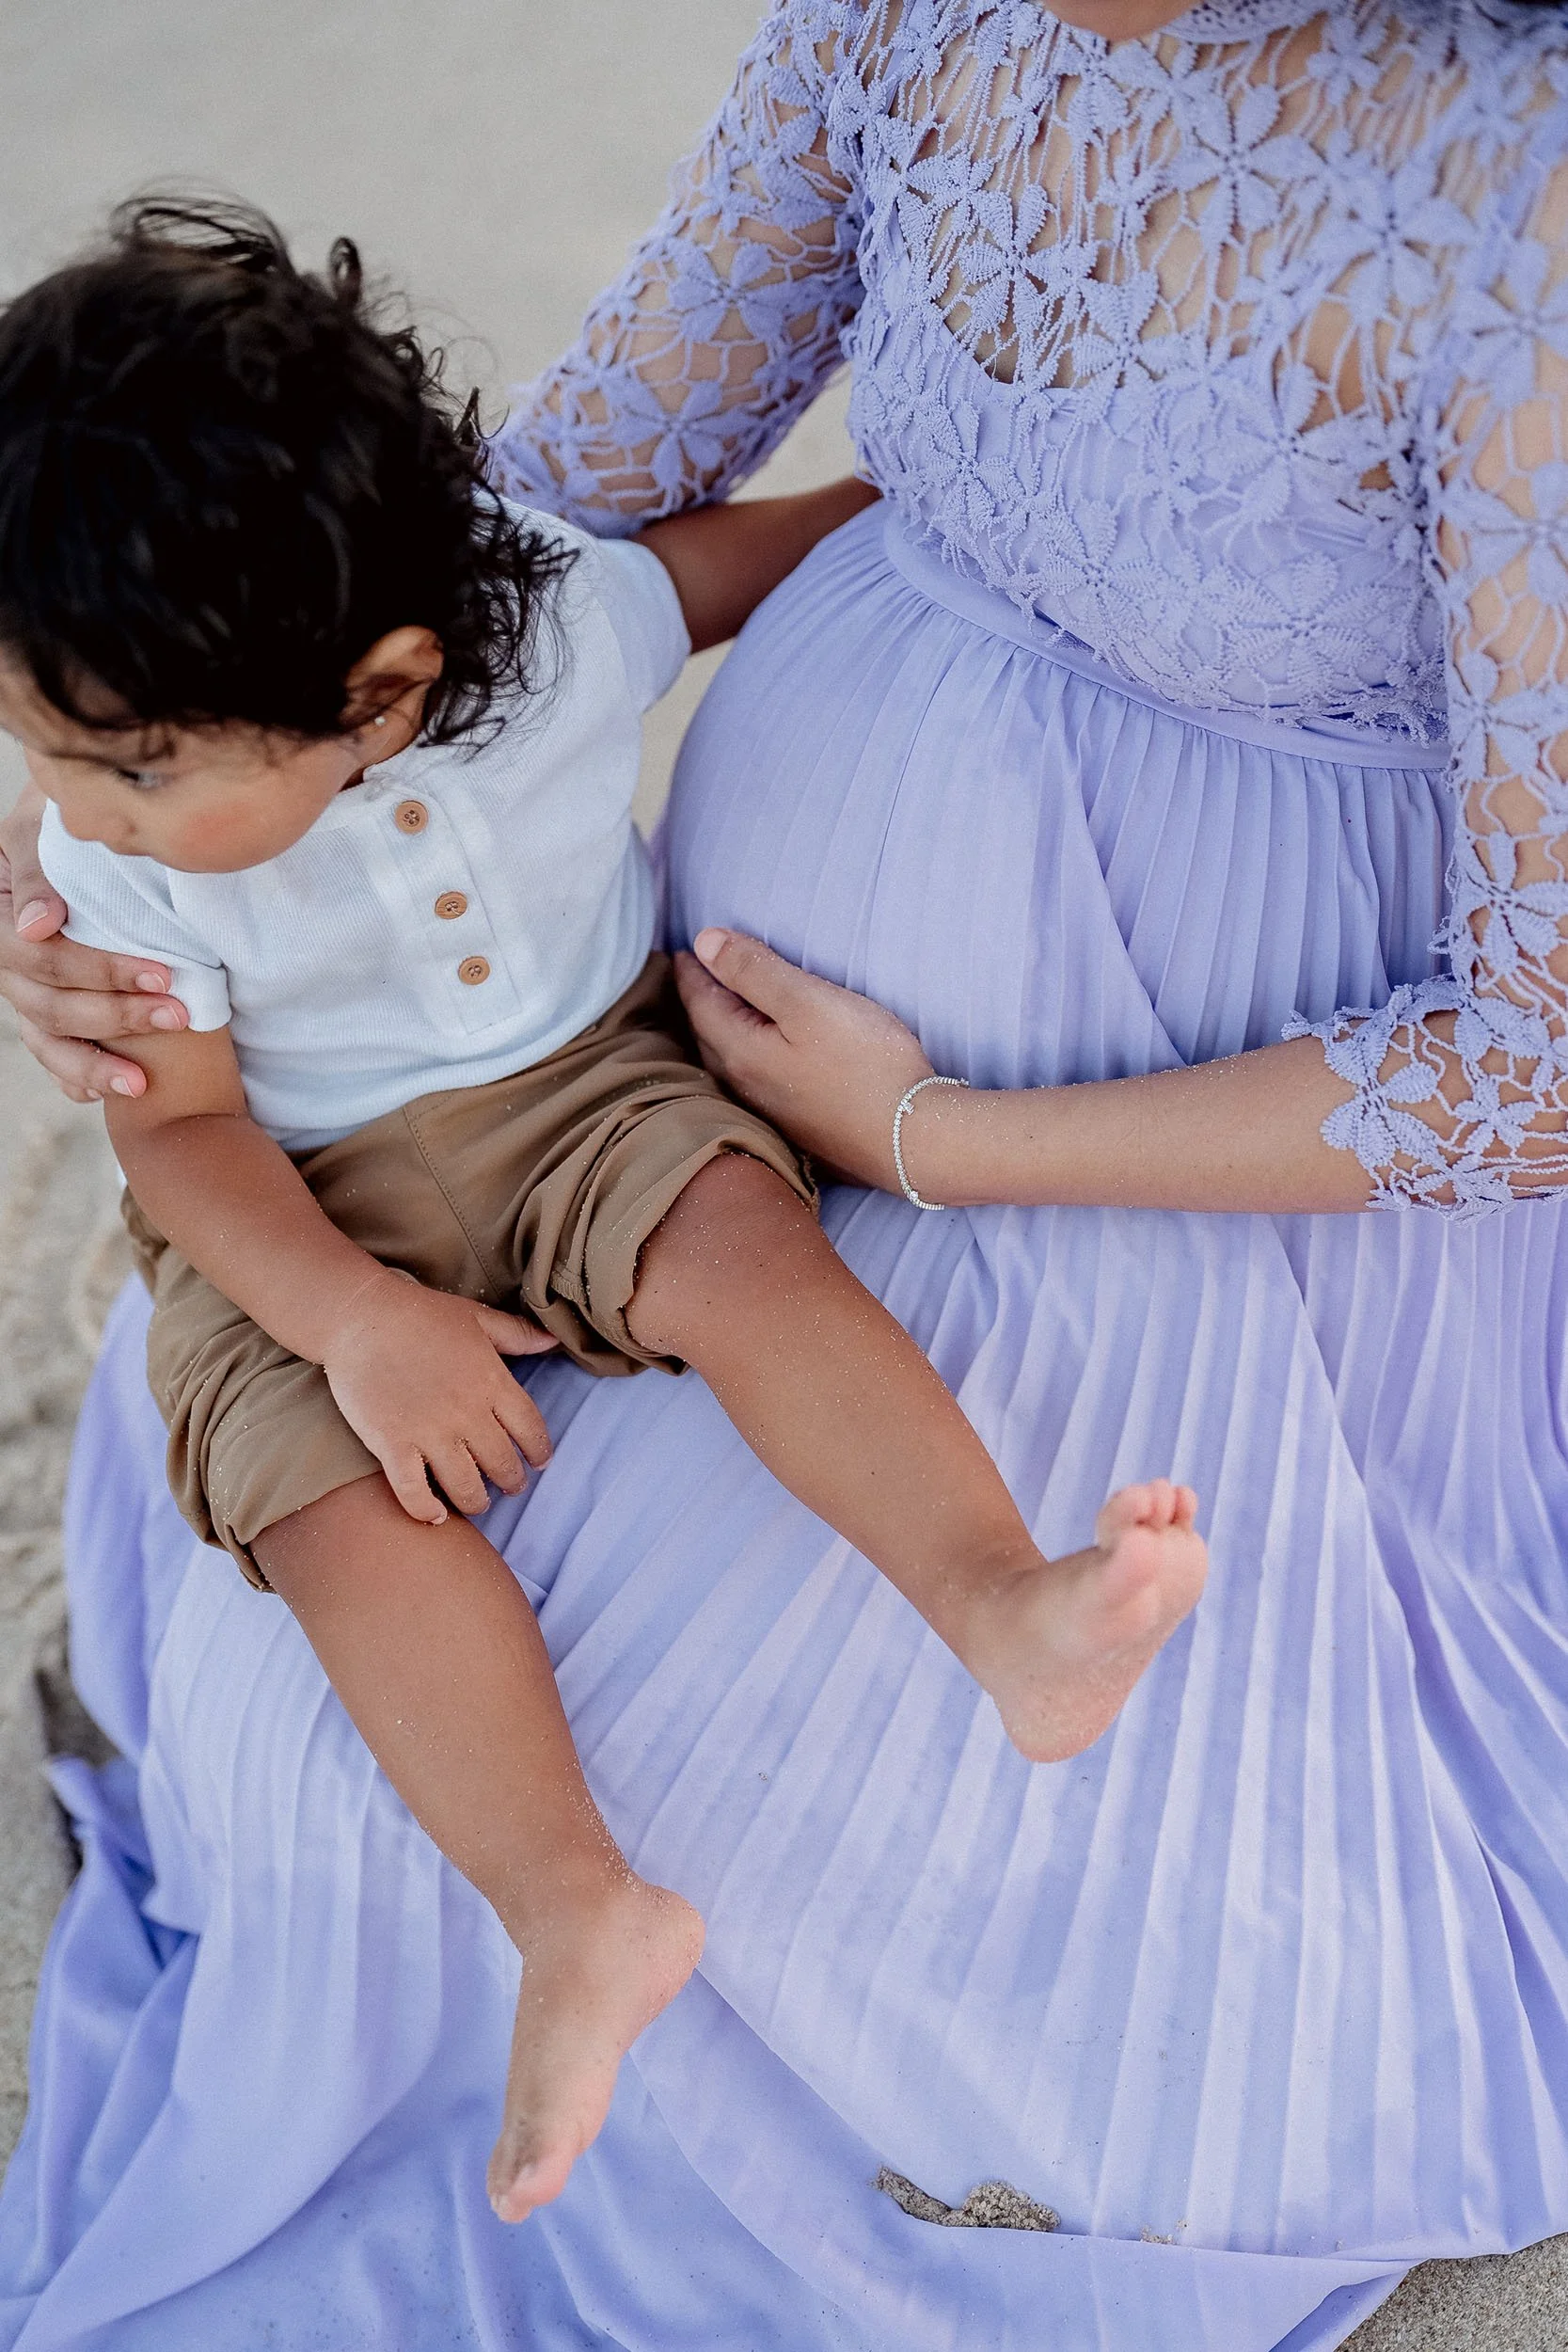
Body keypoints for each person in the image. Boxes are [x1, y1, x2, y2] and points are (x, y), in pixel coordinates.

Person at [3, 1, 1568, 2346]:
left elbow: (1535, 1046)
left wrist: (932, 1134)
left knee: (854, 1771)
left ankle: (1004, 1606)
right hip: (490, 1120)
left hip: (1093, 1159)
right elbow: (584, 484)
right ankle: (571, 1906)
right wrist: (233, 726)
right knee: (333, 1654)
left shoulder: (1520, 176)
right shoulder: (909, 13)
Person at [0, 198, 1203, 2228]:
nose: (74, 814)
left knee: (742, 1244)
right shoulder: (119, 866)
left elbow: (736, 563)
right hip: (285, 1202)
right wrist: (349, 1320)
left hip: (585, 1089)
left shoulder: (548, 623)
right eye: (48, 751)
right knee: (322, 1509)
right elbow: (177, 1139)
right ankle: (574, 1907)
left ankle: (1002, 1598)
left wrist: (927, 496)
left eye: (123, 768)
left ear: (382, 689)